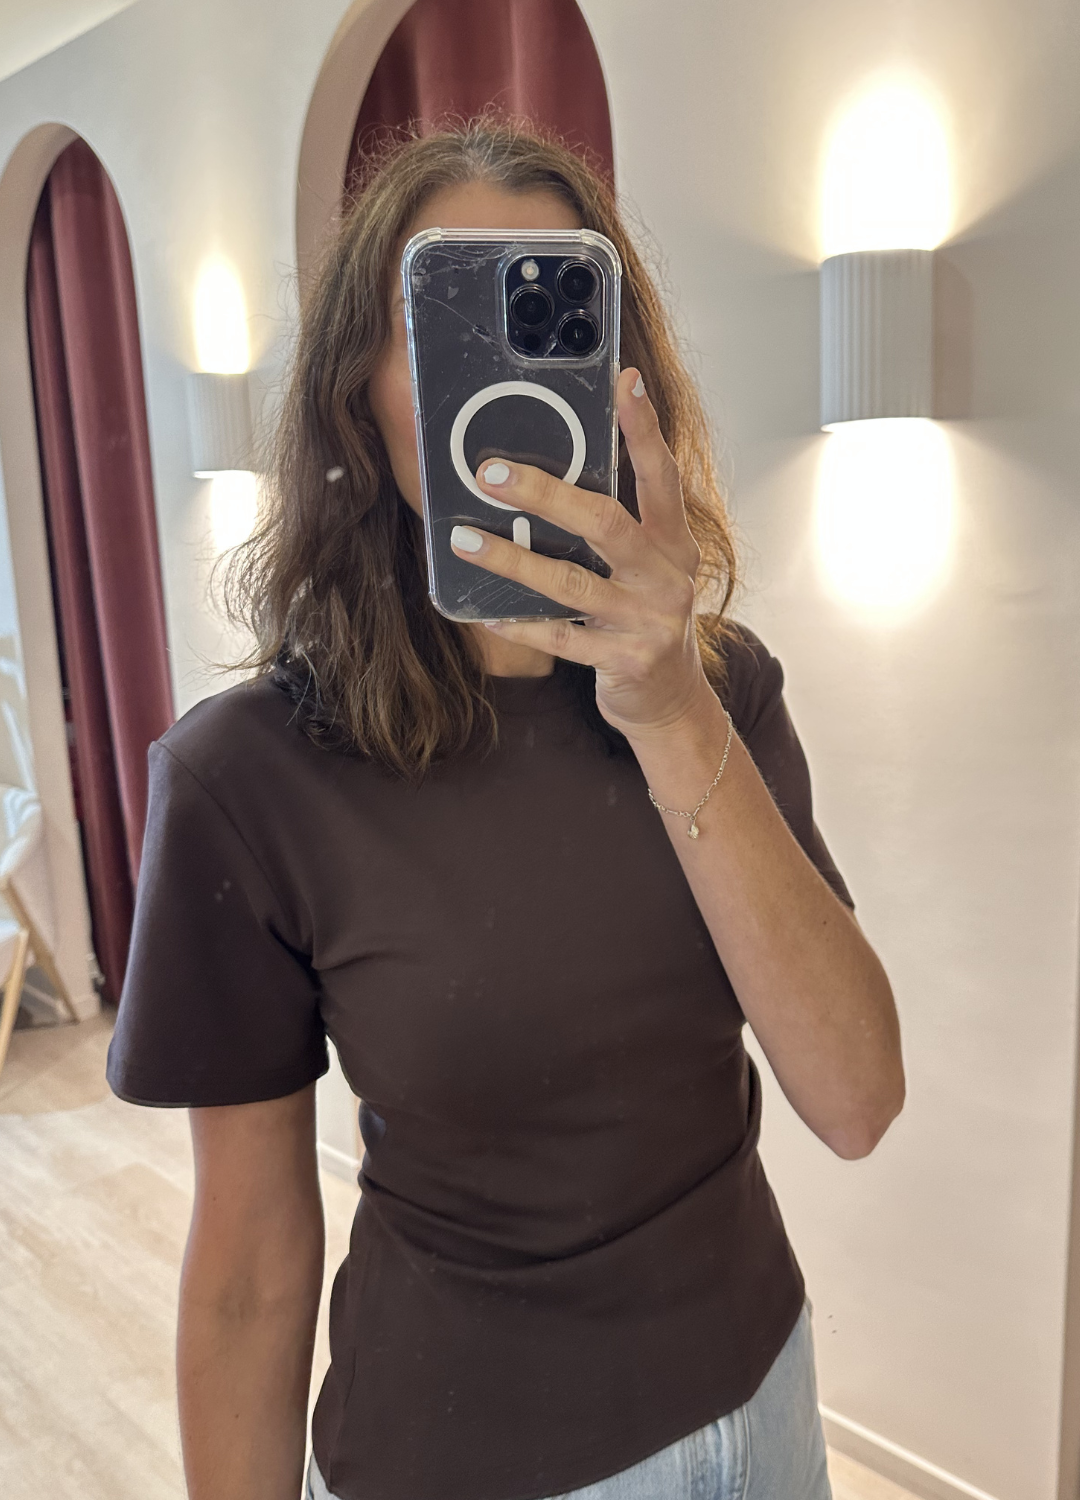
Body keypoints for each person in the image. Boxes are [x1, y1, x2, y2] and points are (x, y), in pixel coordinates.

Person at [107, 120, 904, 1500]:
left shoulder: (722, 693)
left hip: (764, 1406)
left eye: (549, 321)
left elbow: (855, 1097)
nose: (505, 384)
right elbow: (244, 1267)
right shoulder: (248, 779)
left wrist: (669, 709)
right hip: (474, 1455)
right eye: (445, 325)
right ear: (359, 398)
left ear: (622, 383)